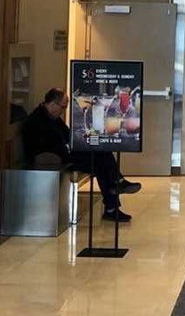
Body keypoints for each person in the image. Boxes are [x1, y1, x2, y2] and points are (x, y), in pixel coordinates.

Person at [21, 88, 141, 221]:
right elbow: (48, 147)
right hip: (57, 158)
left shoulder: (51, 117)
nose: (63, 110)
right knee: (100, 163)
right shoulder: (37, 121)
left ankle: (115, 189)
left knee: (103, 153)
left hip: (65, 153)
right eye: (63, 107)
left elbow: (68, 135)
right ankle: (114, 196)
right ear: (53, 104)